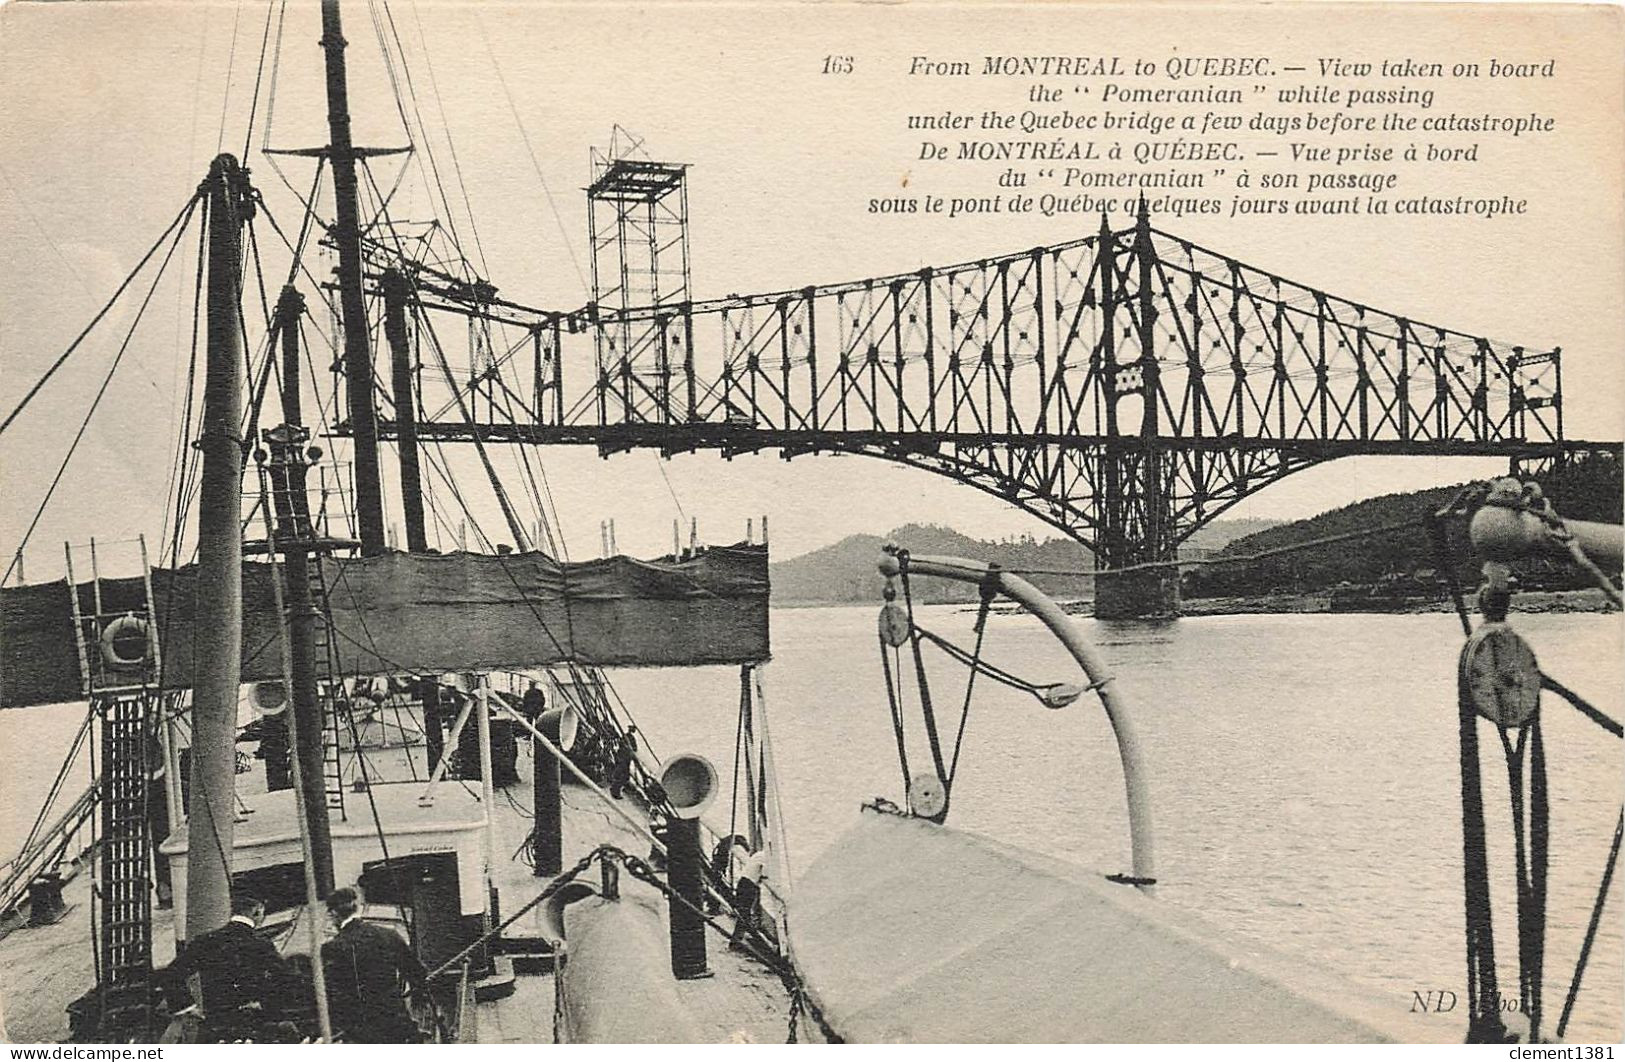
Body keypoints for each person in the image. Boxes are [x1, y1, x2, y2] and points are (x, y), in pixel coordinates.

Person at [158, 893, 282, 1042]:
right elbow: (284, 978)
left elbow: (172, 973)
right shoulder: (261, 945)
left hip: (215, 1022)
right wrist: (267, 1004)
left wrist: (187, 1007)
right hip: (251, 1022)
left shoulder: (205, 941)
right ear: (256, 912)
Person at [320, 886, 429, 1043]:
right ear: (357, 909)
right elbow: (417, 972)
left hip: (360, 1030)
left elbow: (331, 993)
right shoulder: (388, 935)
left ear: (334, 914)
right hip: (396, 1021)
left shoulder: (332, 948)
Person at [609, 727, 638, 800]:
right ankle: (615, 791)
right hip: (624, 759)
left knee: (623, 775)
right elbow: (634, 748)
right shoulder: (630, 738)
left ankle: (618, 788)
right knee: (623, 776)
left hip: (623, 758)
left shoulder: (625, 736)